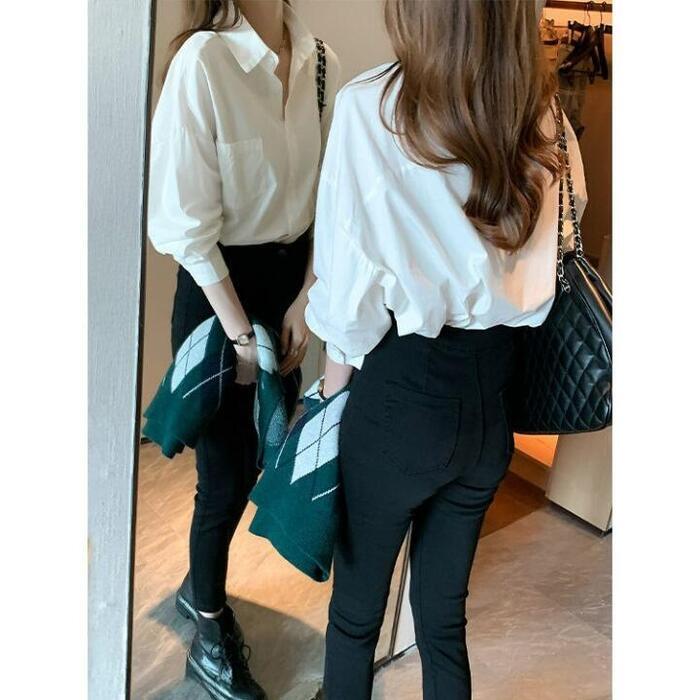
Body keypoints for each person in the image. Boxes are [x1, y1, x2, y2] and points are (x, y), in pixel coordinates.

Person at [305, 1, 586, 698]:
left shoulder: (374, 107)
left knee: (355, 619)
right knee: (442, 618)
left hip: (398, 400)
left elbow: (347, 304)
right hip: (491, 409)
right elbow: (566, 236)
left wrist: (326, 405)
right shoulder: (543, 114)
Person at [147, 1, 339, 698]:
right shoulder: (203, 62)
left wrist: (306, 300)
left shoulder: (321, 63)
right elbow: (184, 226)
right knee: (224, 474)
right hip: (219, 294)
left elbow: (325, 200)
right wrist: (238, 334)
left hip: (288, 293)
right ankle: (207, 624)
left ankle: (197, 587)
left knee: (264, 450)